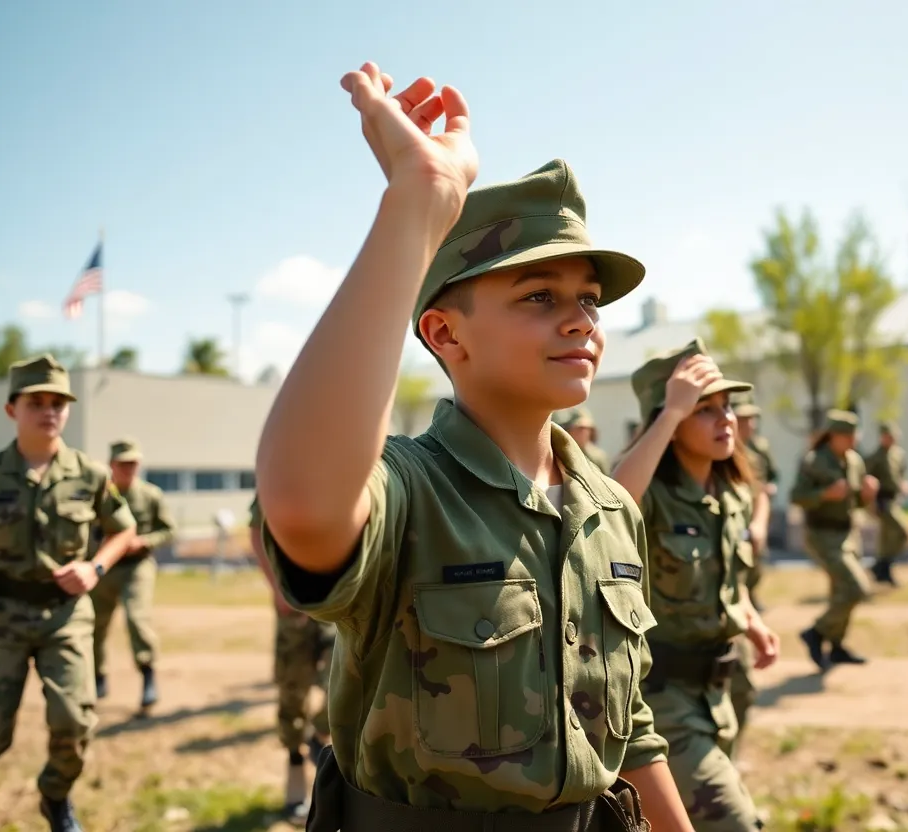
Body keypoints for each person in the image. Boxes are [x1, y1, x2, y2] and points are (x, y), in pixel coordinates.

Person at [253, 63, 692, 831]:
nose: (582, 320)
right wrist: (418, 204)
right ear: (446, 332)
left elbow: (630, 730)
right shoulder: (411, 493)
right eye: (539, 296)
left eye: (587, 298)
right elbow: (304, 503)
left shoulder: (610, 507)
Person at [611, 338, 780, 831]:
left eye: (726, 406)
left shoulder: (730, 495)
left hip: (718, 695)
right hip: (661, 699)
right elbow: (613, 500)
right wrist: (670, 413)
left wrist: (749, 618)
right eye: (703, 409)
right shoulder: (652, 497)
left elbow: (729, 581)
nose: (725, 418)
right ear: (669, 418)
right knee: (736, 824)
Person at [0, 355, 137, 832]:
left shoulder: (89, 474)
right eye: (36, 402)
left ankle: (56, 796)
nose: (49, 411)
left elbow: (122, 530)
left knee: (73, 721)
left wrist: (96, 566)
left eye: (58, 403)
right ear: (12, 409)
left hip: (64, 613)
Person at [247, 496, 333, 825]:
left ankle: (319, 733)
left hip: (337, 601)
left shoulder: (345, 465)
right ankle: (296, 762)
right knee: (292, 690)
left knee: (346, 678)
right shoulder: (287, 459)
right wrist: (277, 588)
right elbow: (257, 529)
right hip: (293, 604)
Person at [90, 437, 176, 716]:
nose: (129, 469)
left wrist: (144, 542)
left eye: (134, 464)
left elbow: (168, 530)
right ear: (111, 465)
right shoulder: (99, 495)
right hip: (104, 567)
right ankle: (98, 675)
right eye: (123, 464)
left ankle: (148, 676)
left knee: (137, 618)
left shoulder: (150, 495)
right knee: (95, 625)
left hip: (136, 566)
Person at [791, 411, 879, 671]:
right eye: (848, 435)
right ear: (834, 436)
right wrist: (825, 494)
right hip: (822, 534)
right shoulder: (814, 461)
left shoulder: (854, 461)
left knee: (840, 592)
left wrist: (867, 495)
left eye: (855, 435)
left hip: (848, 533)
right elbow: (797, 496)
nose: (854, 440)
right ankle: (816, 633)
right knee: (856, 587)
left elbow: (858, 503)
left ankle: (837, 646)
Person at [725, 391, 774, 750]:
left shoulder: (750, 455)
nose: (746, 424)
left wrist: (758, 526)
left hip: (736, 569)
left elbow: (762, 494)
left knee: (743, 689)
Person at [863, 423, 908, 587]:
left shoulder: (898, 454)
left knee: (886, 540)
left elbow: (902, 473)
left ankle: (882, 569)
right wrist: (870, 504)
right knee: (902, 532)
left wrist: (904, 484)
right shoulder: (875, 457)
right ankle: (881, 566)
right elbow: (865, 480)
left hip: (894, 499)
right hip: (882, 501)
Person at [555, 406, 612, 474]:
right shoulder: (562, 454)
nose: (582, 432)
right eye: (579, 429)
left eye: (585, 429)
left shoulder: (598, 456)